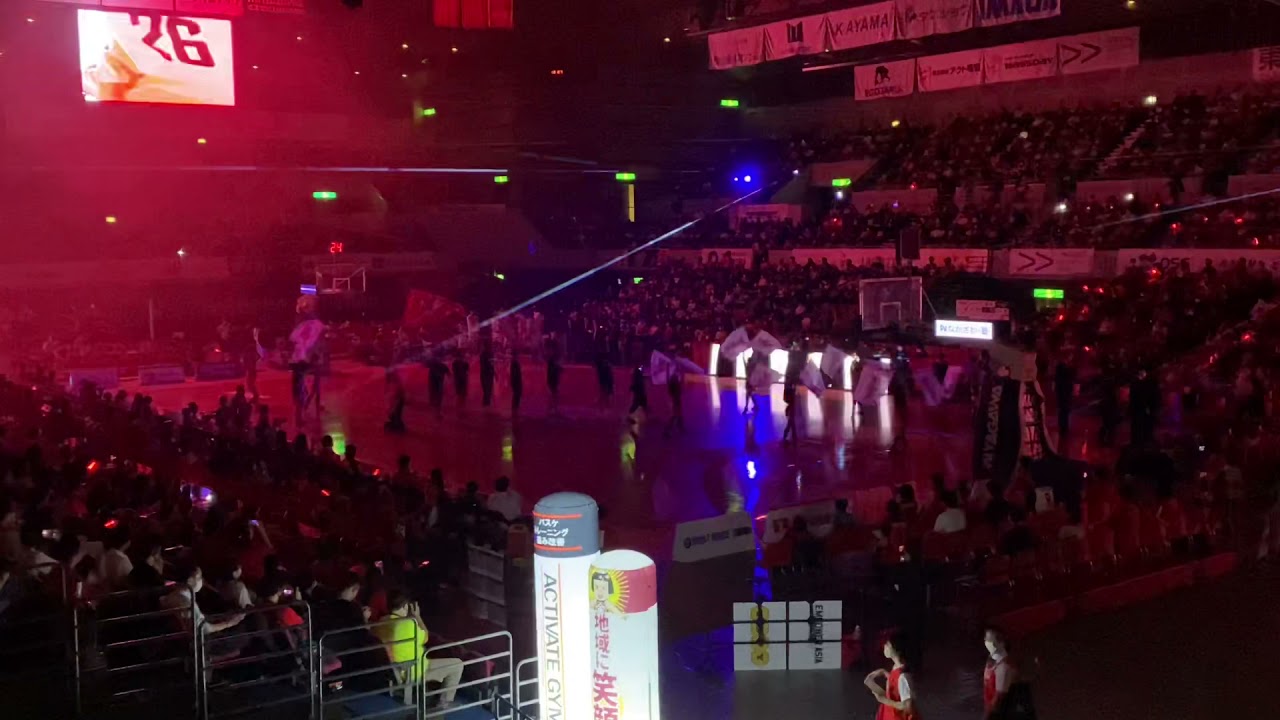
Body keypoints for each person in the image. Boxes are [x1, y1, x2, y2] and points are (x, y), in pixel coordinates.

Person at [374, 591, 465, 707]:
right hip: (412, 669)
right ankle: (443, 705)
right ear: (405, 606)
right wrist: (417, 616)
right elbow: (426, 637)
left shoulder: (381, 622)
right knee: (457, 665)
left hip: (392, 670)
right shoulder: (408, 623)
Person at [864, 631, 918, 719]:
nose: (884, 646)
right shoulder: (897, 667)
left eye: (888, 644)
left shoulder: (903, 677)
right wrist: (887, 674)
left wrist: (884, 700)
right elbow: (898, 684)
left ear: (897, 650)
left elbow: (907, 707)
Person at [99, 527, 134, 591]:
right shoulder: (123, 559)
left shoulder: (103, 556)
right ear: (128, 542)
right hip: (120, 595)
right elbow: (132, 580)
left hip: (106, 593)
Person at [1054, 358, 1075, 437]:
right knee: (1064, 411)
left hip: (1062, 395)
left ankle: (1063, 427)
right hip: (1064, 394)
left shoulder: (1060, 374)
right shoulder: (1065, 373)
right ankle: (1064, 428)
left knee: (1063, 411)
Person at [385, 367, 407, 434]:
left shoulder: (397, 383)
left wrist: (393, 406)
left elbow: (399, 395)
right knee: (394, 414)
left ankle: (399, 427)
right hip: (396, 399)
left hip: (398, 400)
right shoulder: (392, 383)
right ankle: (396, 425)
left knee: (396, 414)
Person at [427, 355, 449, 419]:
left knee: (436, 400)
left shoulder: (432, 367)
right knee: (438, 400)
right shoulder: (442, 366)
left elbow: (448, 374)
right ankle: (437, 413)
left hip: (435, 386)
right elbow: (449, 374)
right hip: (438, 386)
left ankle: (437, 413)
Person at [546, 338, 563, 414]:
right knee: (554, 394)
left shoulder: (552, 358)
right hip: (552, 378)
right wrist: (559, 369)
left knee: (554, 394)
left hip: (552, 378)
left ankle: (552, 409)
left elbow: (553, 368)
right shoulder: (552, 358)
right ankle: (553, 409)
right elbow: (553, 368)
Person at [479, 342, 496, 407]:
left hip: (485, 373)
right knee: (487, 389)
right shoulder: (489, 354)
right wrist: (494, 373)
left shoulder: (483, 355)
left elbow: (490, 364)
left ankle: (486, 404)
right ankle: (486, 405)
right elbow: (491, 364)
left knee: (486, 390)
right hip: (488, 373)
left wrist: (494, 372)